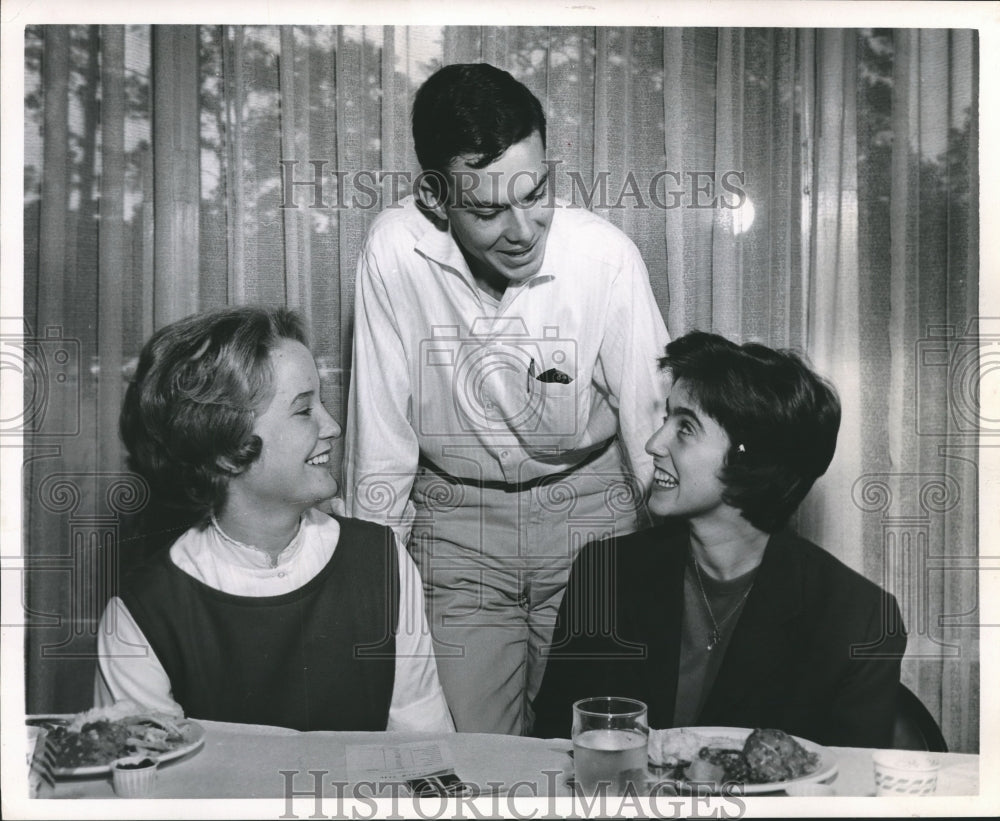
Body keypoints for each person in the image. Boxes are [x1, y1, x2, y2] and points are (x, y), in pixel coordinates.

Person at [343, 63, 670, 735]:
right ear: (436, 199)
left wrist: (682, 570)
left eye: (537, 192)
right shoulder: (393, 252)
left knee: (588, 742)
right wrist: (369, 583)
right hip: (457, 528)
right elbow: (380, 433)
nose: (524, 229)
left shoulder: (604, 256)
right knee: (469, 756)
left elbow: (652, 422)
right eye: (489, 210)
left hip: (592, 522)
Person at [531, 331, 906, 748]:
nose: (654, 444)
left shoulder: (859, 621)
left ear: (750, 459)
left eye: (685, 428)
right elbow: (553, 744)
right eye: (665, 420)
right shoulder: (604, 576)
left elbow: (848, 793)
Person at [94, 306, 454, 733]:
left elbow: (425, 745)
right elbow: (149, 786)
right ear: (226, 447)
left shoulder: (381, 560)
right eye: (304, 410)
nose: (334, 427)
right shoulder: (142, 612)